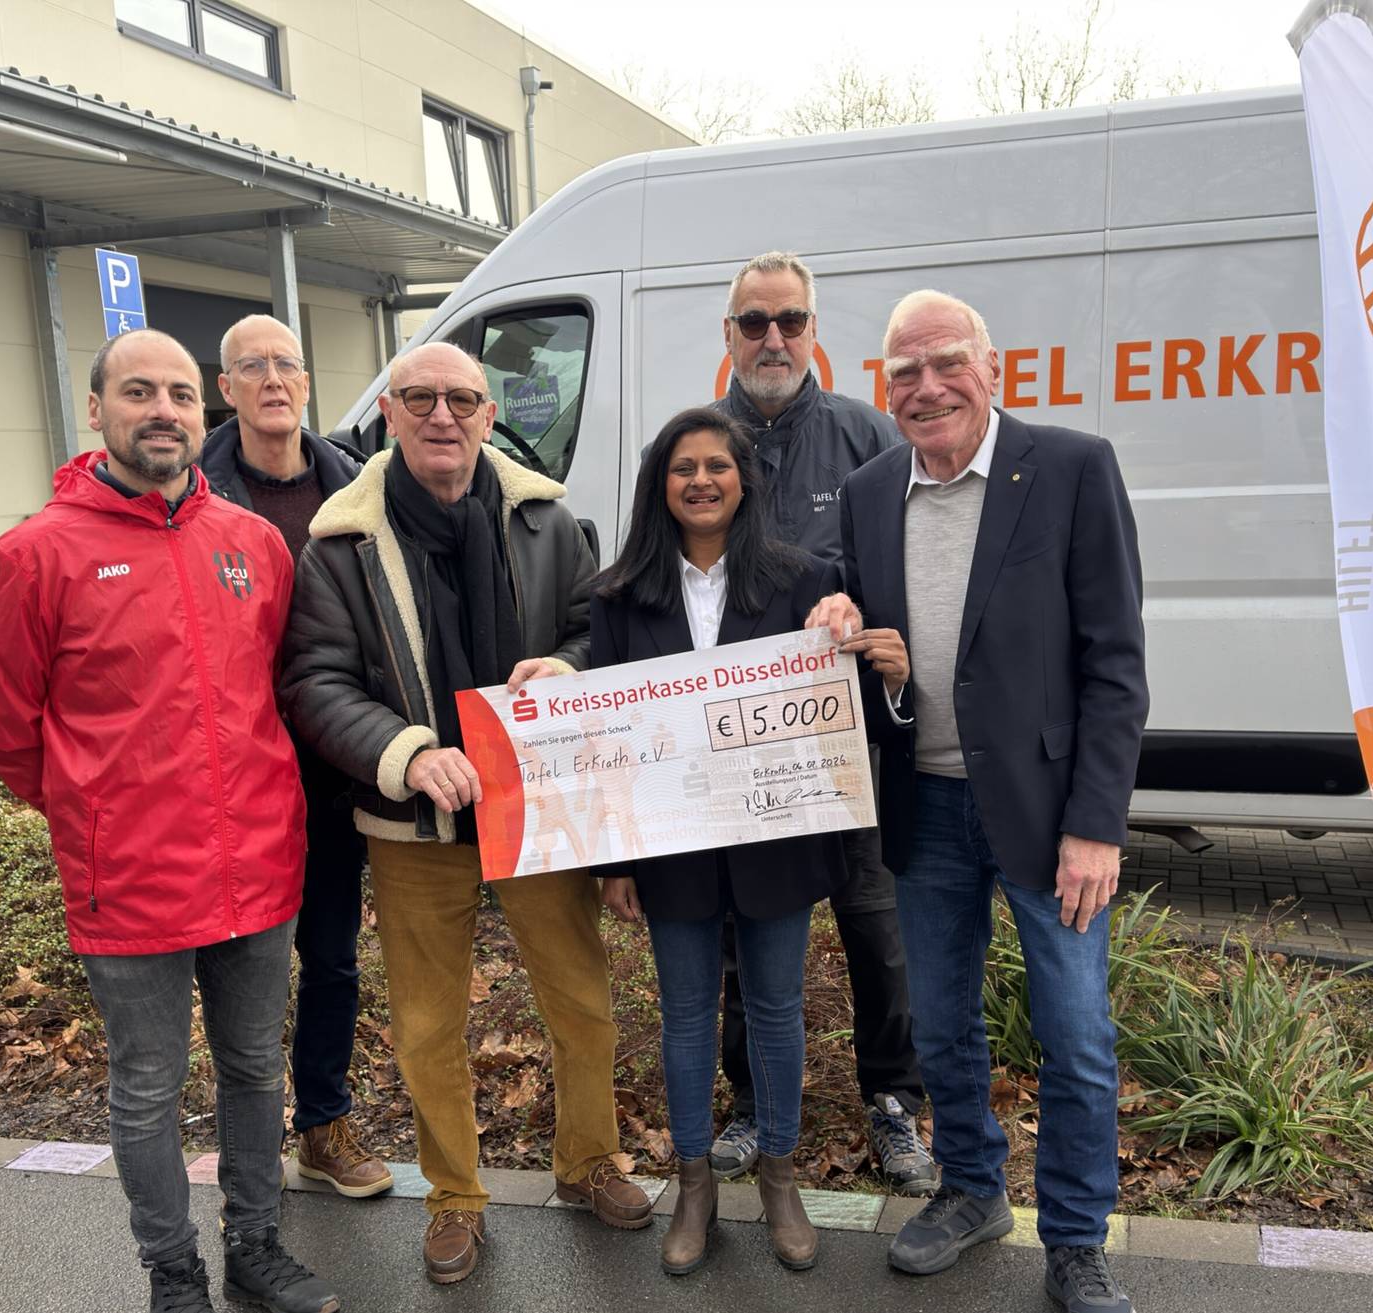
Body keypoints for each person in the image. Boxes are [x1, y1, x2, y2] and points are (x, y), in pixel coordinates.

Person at [0, 328, 339, 1313]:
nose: (164, 410)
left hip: (258, 865)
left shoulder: (252, 545)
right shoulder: (33, 556)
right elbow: (4, 727)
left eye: (179, 393)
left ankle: (255, 1244)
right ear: (97, 410)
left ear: (201, 411)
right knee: (147, 1086)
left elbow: (283, 691)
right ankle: (174, 1270)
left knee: (257, 1068)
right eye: (139, 391)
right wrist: (94, 810)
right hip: (127, 877)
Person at [278, 342, 649, 1285]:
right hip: (414, 825)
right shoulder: (340, 543)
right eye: (420, 399)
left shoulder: (549, 519)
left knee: (581, 1000)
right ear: (389, 416)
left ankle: (588, 1160)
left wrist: (565, 668)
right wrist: (404, 753)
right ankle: (455, 1197)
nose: (442, 416)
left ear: (489, 415)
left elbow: (592, 625)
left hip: (536, 807)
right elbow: (314, 680)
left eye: (462, 400)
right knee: (428, 1021)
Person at [810, 290, 1149, 1312]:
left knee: (1075, 1033)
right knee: (944, 1024)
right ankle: (969, 1189)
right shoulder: (870, 491)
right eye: (903, 371)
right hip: (927, 804)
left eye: (944, 362)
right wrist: (837, 608)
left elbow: (1116, 664)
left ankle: (1077, 1237)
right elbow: (861, 616)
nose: (925, 387)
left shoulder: (1073, 468)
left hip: (1051, 818)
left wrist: (1096, 823)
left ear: (991, 365)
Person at [589, 407, 846, 1276]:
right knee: (687, 1015)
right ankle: (694, 1183)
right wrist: (614, 854)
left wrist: (847, 625)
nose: (700, 480)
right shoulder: (620, 594)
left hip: (775, 833)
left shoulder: (803, 578)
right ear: (659, 485)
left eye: (717, 465)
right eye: (682, 467)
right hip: (671, 839)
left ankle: (779, 1176)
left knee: (776, 1010)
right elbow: (607, 735)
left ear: (745, 478)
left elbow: (837, 694)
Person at [707, 251, 935, 1195]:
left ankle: (893, 1100)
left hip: (856, 754)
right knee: (745, 931)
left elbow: (915, 582)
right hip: (739, 754)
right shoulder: (691, 445)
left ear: (813, 332)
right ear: (728, 335)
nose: (773, 338)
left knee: (879, 933)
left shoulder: (870, 439)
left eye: (790, 321)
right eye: (755, 321)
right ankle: (753, 1101)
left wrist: (868, 622)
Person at [198, 314, 389, 1200]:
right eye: (252, 367)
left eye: (287, 364)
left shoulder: (355, 484)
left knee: (332, 952)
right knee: (239, 964)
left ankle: (322, 1122)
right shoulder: (194, 490)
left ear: (307, 383)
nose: (272, 379)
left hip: (330, 763)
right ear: (225, 389)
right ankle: (243, 1140)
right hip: (229, 771)